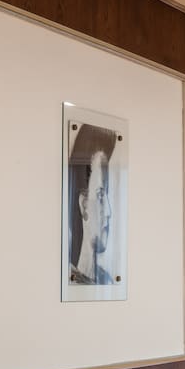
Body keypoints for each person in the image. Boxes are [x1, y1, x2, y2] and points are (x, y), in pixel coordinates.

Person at [66, 121, 118, 285]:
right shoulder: (68, 279)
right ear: (84, 206)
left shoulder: (107, 281)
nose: (109, 211)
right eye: (101, 196)